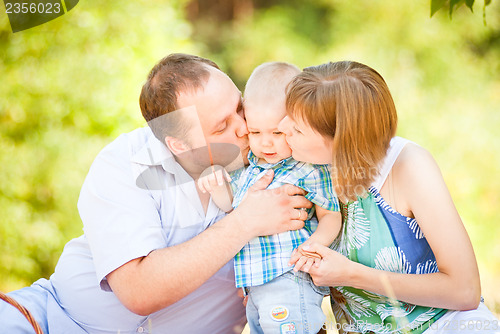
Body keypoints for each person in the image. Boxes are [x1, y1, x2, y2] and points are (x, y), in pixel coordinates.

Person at [0, 53, 314, 334]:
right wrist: (245, 222)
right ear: (179, 144)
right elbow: (139, 291)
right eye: (222, 127)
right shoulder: (127, 161)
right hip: (53, 321)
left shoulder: (283, 162)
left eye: (239, 108)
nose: (244, 129)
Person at [280, 60, 500, 334]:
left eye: (298, 129)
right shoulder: (304, 168)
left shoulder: (408, 167)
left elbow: (464, 290)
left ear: (341, 139)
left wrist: (351, 275)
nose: (281, 127)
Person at [198, 62, 342, 334]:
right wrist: (217, 186)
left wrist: (312, 247)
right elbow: (232, 207)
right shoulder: (252, 168)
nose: (266, 143)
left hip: (289, 277)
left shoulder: (307, 168)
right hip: (256, 286)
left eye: (277, 132)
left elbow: (331, 215)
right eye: (255, 132)